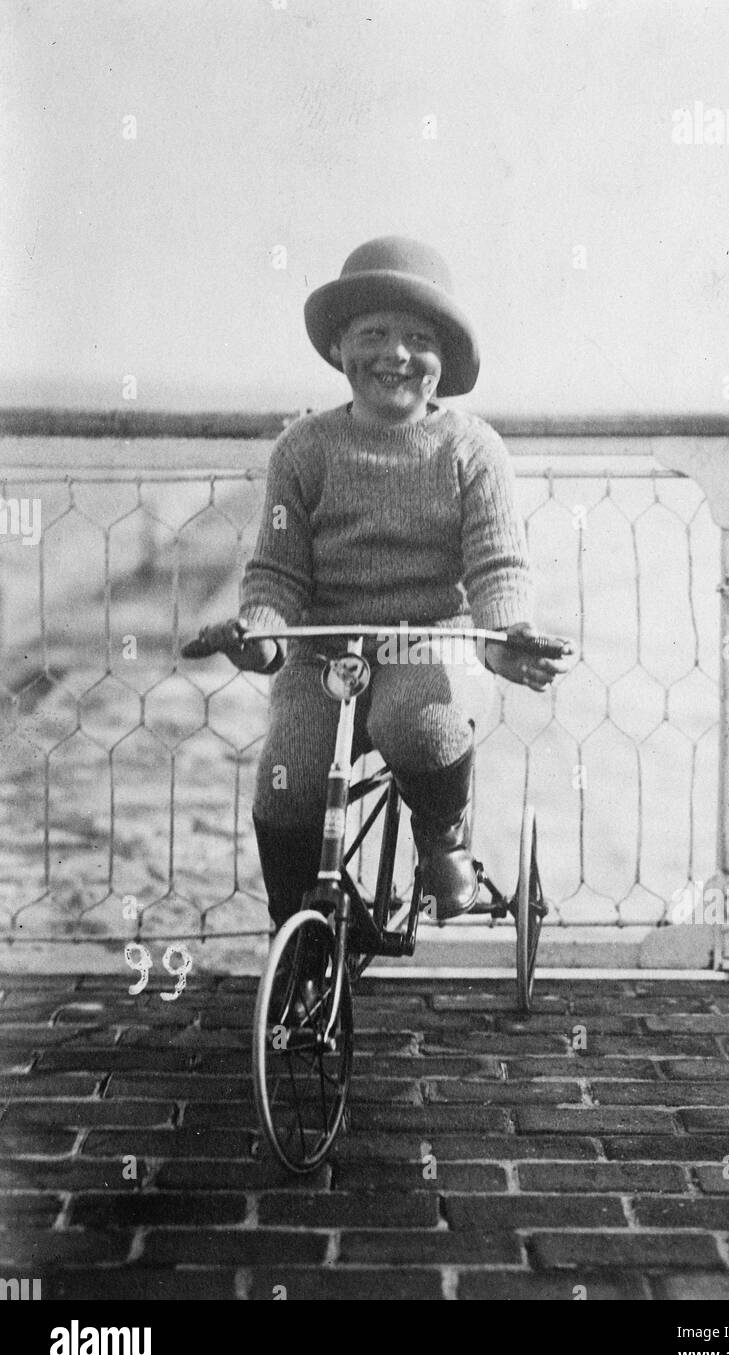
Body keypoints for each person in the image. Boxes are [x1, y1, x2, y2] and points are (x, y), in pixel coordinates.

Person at [220, 235, 571, 931]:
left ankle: (442, 844)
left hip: (427, 642)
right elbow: (277, 572)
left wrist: (504, 638)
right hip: (323, 650)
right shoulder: (304, 447)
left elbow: (497, 564)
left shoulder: (470, 448)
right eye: (373, 334)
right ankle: (299, 936)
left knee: (418, 727)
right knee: (287, 781)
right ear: (339, 349)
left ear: (444, 359)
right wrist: (259, 632)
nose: (396, 355)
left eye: (418, 338)